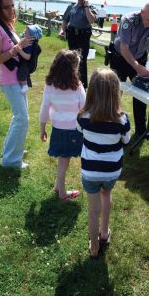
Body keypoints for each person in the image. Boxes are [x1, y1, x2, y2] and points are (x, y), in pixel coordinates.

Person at [77, 68, 131, 258]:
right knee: (106, 194)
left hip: (90, 171)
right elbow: (126, 141)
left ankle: (93, 248)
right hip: (111, 171)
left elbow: (80, 132)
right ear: (116, 92)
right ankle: (104, 233)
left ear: (91, 91)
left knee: (93, 211)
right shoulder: (122, 119)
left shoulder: (82, 117)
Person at [110, 2, 149, 135]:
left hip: (139, 58)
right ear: (142, 12)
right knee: (114, 93)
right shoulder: (129, 20)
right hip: (120, 58)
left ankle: (141, 130)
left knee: (141, 94)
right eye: (148, 20)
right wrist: (137, 67)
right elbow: (124, 48)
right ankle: (111, 126)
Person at [0, 0, 32, 169]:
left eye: (12, 5)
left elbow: (15, 47)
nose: (11, 10)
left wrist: (24, 40)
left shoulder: (8, 26)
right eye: (6, 7)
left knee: (20, 118)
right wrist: (17, 47)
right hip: (9, 80)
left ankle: (12, 152)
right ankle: (11, 161)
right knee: (22, 118)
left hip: (18, 80)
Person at [39, 49, 86, 202]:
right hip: (73, 130)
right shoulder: (77, 86)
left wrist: (42, 128)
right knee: (64, 160)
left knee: (63, 158)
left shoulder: (50, 85)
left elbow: (44, 107)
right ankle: (62, 193)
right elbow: (84, 108)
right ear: (73, 69)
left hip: (57, 129)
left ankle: (58, 186)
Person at [61, 0, 96, 89]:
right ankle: (72, 82)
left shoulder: (90, 8)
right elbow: (65, 20)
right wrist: (62, 30)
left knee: (82, 61)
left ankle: (83, 86)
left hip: (83, 36)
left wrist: (86, 7)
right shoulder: (71, 7)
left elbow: (91, 20)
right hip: (72, 36)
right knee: (72, 59)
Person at [17, 24, 42, 93]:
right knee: (23, 72)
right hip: (25, 62)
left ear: (32, 36)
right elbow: (21, 36)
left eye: (26, 32)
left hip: (27, 64)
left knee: (21, 72)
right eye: (25, 31)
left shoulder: (30, 45)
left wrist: (19, 50)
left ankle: (25, 85)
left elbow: (28, 57)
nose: (24, 32)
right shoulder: (27, 40)